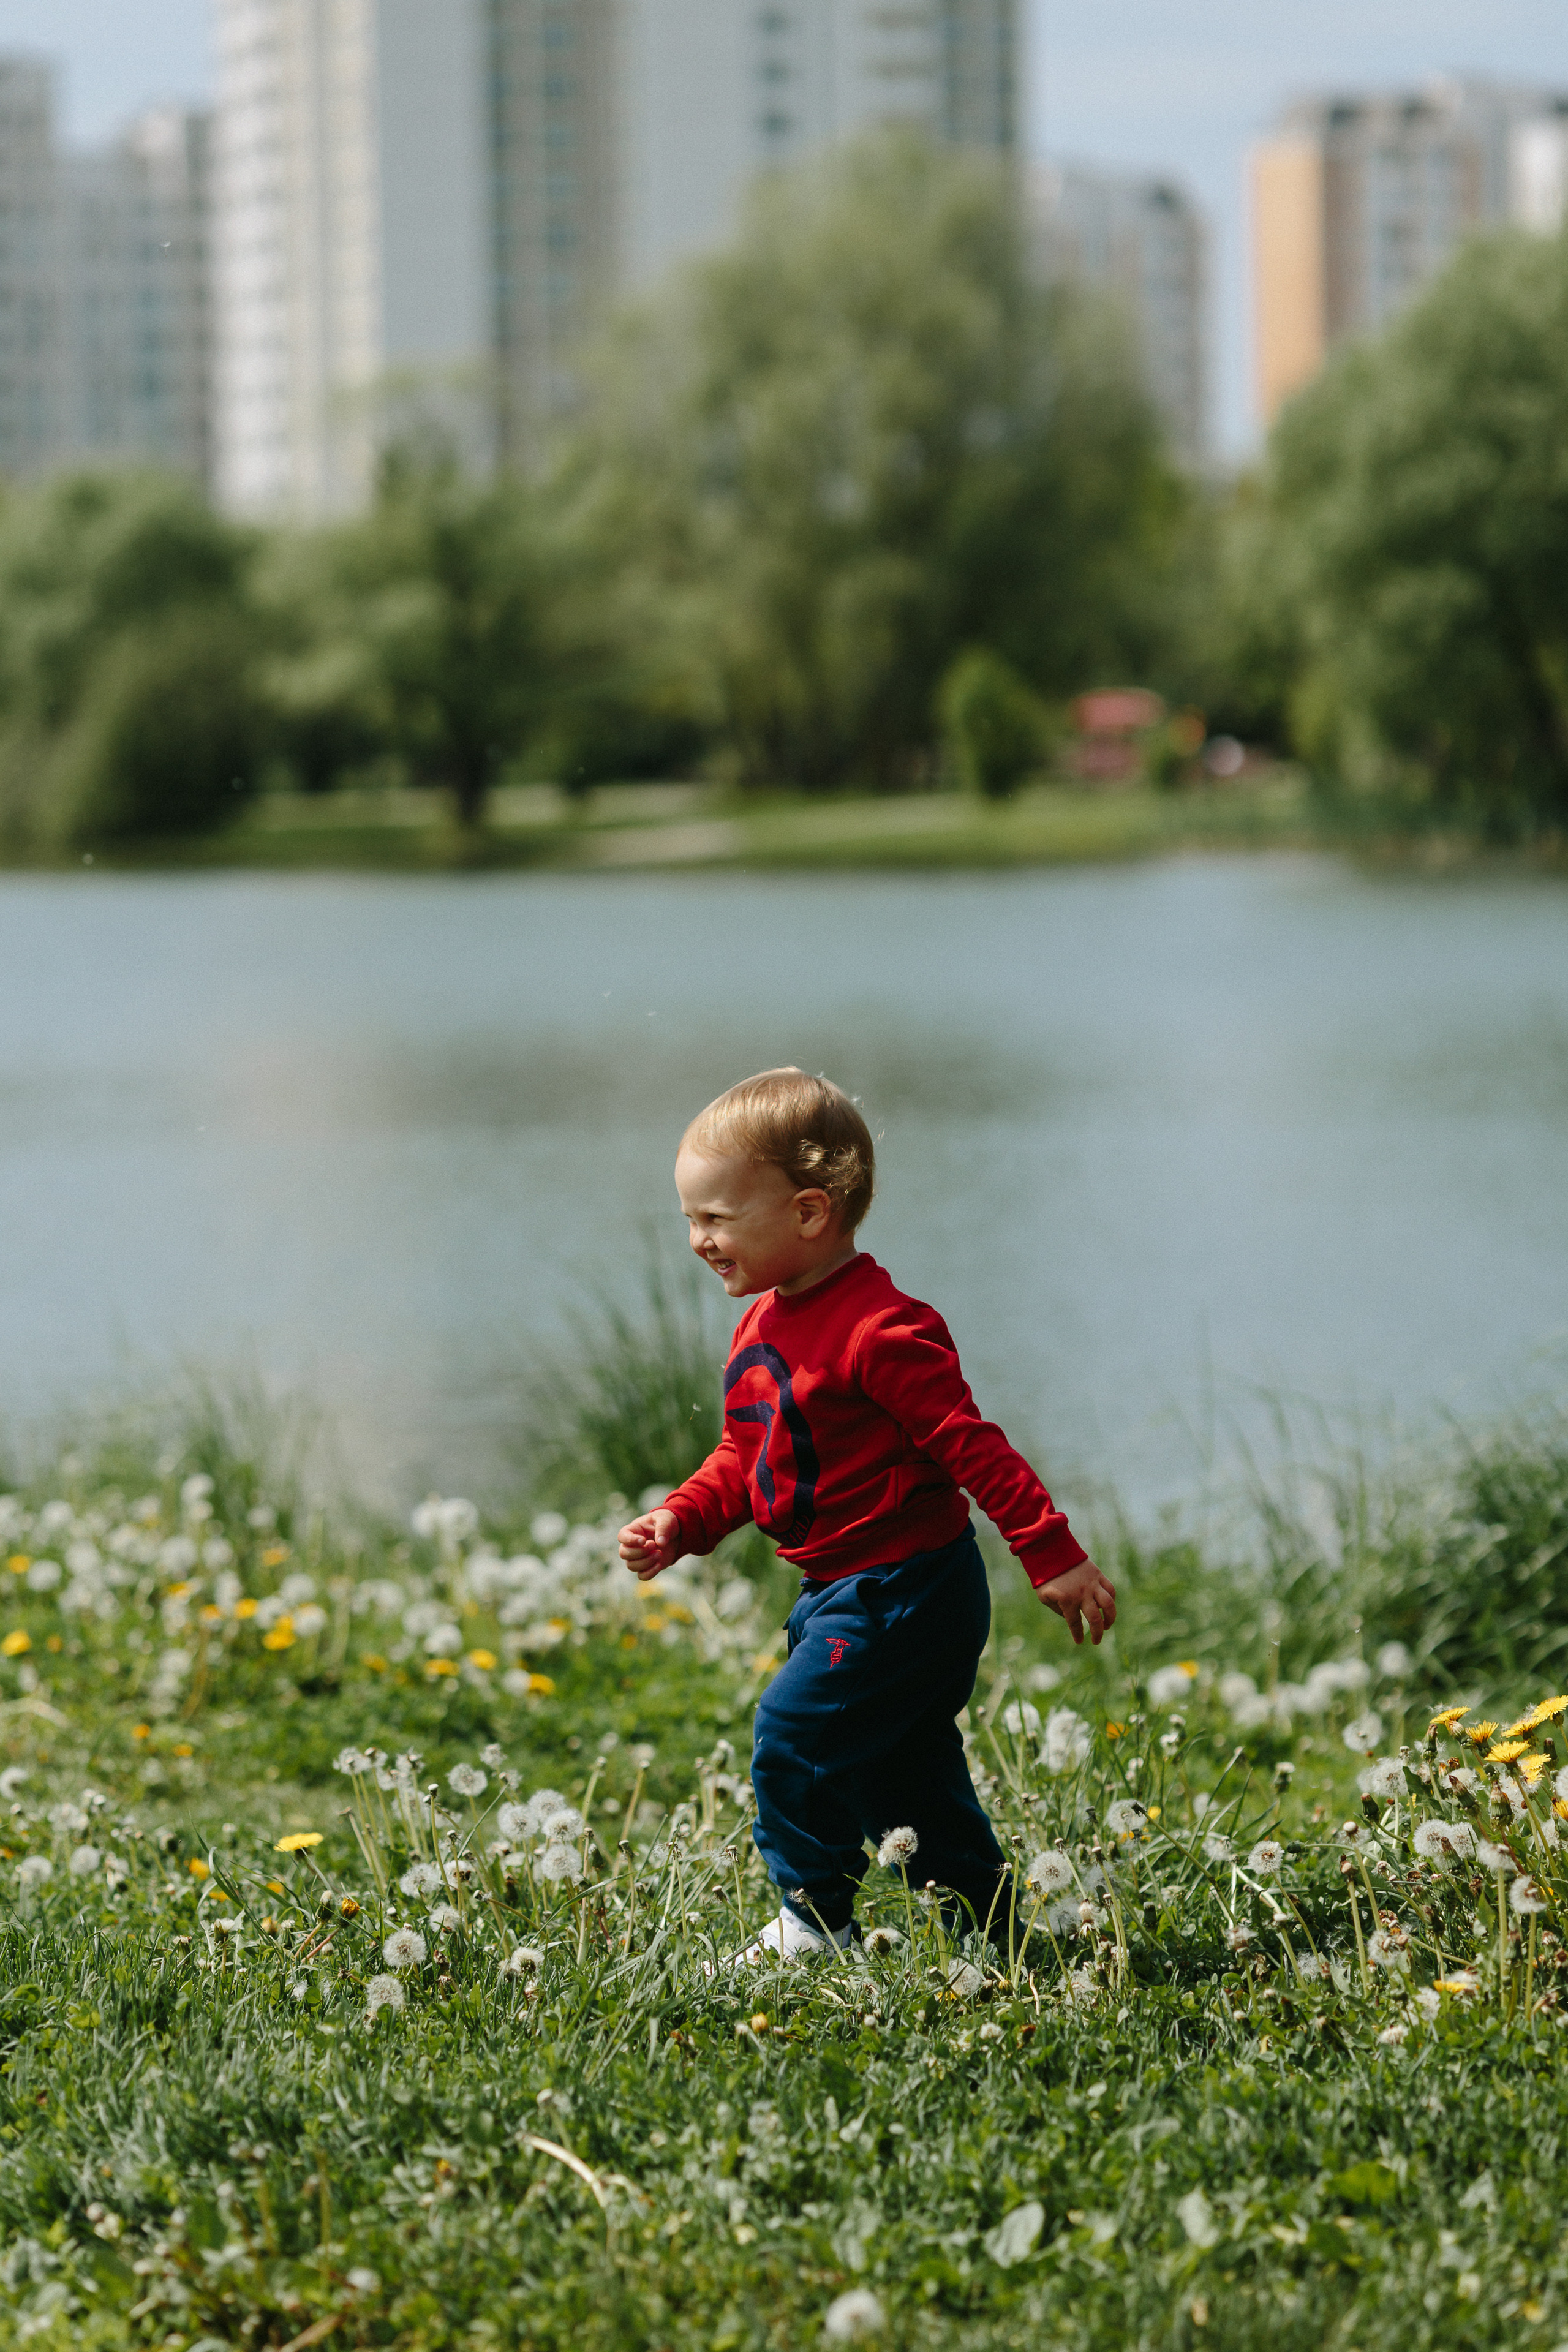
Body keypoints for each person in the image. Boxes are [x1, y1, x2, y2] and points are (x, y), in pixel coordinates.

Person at [617, 1067, 1116, 1962]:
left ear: (810, 1212)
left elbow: (973, 1447)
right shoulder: (763, 1323)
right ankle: (989, 1932)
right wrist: (684, 1521)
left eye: (716, 1220)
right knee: (905, 1770)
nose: (697, 1240)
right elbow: (747, 1454)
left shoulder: (881, 1332)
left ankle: (815, 1920)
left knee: (795, 1731)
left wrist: (1052, 1556)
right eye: (690, 1219)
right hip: (844, 1589)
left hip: (904, 1590)